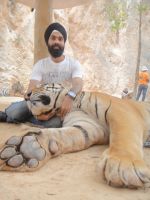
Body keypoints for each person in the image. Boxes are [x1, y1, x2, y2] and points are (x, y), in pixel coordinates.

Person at [0, 22, 83, 127]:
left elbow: (78, 83)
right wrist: (36, 114)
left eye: (60, 39)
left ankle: (12, 118)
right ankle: (18, 117)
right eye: (53, 38)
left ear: (64, 42)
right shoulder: (40, 65)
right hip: (39, 104)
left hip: (59, 108)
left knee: (54, 124)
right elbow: (31, 90)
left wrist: (69, 97)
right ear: (47, 41)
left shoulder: (74, 64)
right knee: (14, 111)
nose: (56, 41)